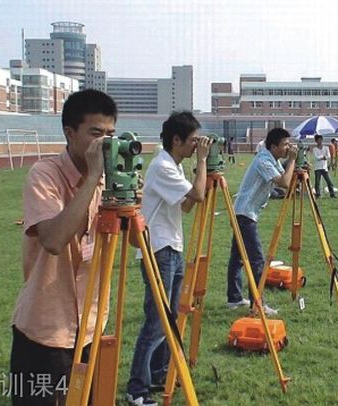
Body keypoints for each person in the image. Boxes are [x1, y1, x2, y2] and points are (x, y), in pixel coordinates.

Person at [10, 89, 117, 405]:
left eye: (110, 135)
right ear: (70, 133)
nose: (104, 144)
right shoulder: (45, 174)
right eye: (96, 134)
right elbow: (54, 240)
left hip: (91, 326)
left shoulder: (107, 182)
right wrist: (94, 175)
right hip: (45, 330)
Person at [126, 112, 210, 405]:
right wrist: (202, 162)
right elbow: (198, 197)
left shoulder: (174, 166)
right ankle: (136, 388)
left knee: (169, 318)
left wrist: (200, 169)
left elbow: (186, 207)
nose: (195, 146)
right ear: (176, 140)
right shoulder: (163, 166)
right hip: (159, 249)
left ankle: (160, 373)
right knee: (156, 321)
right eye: (192, 142)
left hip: (171, 247)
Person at [226, 128, 298, 314]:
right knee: (257, 260)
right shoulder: (263, 160)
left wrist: (295, 166)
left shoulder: (271, 159)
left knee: (238, 257)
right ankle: (258, 304)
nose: (287, 147)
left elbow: (287, 178)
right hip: (245, 214)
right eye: (285, 145)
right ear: (274, 146)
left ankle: (234, 298)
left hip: (243, 212)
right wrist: (292, 160)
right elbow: (284, 182)